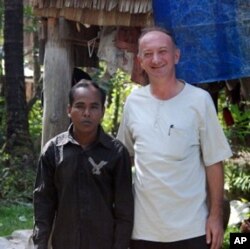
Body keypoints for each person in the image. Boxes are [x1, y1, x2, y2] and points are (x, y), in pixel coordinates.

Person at [117, 27, 232, 249]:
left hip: (193, 228)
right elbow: (124, 158)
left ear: (176, 55)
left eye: (163, 51)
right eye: (148, 54)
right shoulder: (133, 103)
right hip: (143, 229)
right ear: (140, 60)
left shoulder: (200, 101)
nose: (156, 59)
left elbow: (214, 162)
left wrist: (216, 217)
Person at [33, 80, 134, 249]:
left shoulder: (116, 153)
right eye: (79, 106)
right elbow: (43, 204)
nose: (86, 113)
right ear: (69, 110)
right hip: (65, 243)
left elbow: (124, 211)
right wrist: (39, 245)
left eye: (94, 107)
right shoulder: (53, 151)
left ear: (102, 111)